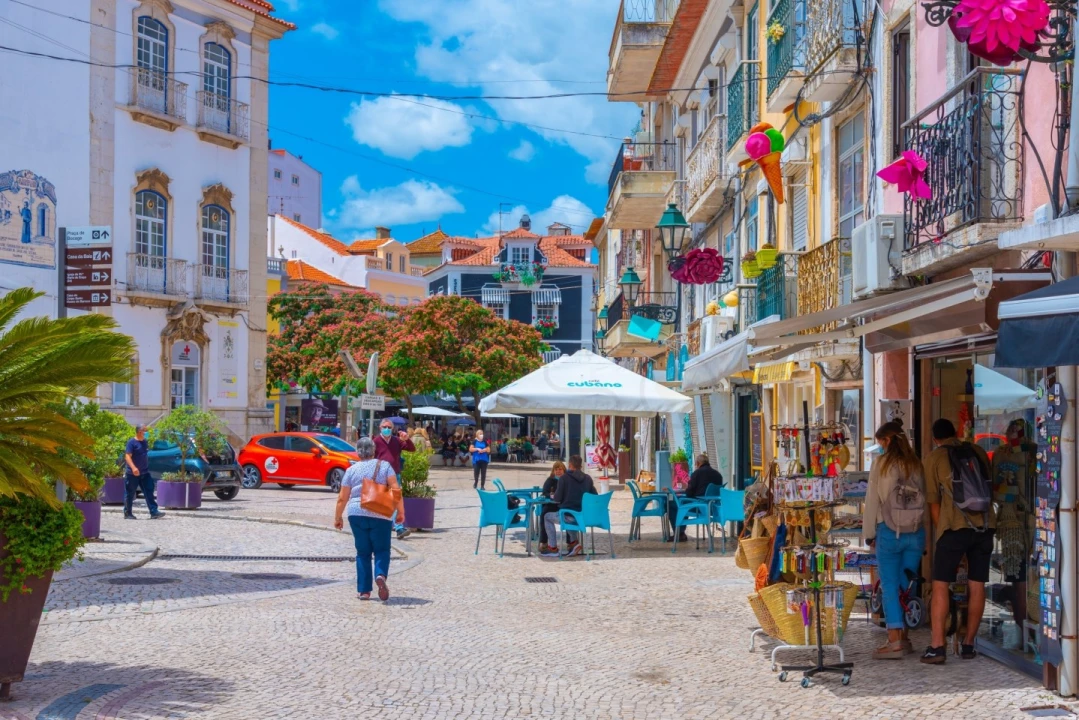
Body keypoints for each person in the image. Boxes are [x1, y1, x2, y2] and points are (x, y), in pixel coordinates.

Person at [922, 418, 995, 664]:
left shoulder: (935, 457)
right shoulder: (978, 451)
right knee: (977, 585)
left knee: (941, 585)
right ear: (955, 432)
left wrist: (943, 533)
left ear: (935, 439)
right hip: (984, 526)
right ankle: (969, 644)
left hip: (953, 528)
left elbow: (934, 502)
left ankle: (937, 646)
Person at [863, 421, 925, 659]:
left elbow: (872, 501)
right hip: (915, 532)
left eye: (880, 442)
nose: (880, 447)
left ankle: (894, 641)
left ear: (887, 441)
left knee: (889, 585)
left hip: (888, 530)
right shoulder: (916, 463)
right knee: (906, 583)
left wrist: (869, 533)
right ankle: (905, 638)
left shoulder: (881, 463)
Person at [335, 437, 405, 601]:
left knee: (362, 552)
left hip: (356, 513)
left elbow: (342, 498)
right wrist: (400, 512)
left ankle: (364, 591)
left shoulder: (351, 470)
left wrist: (338, 517)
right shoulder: (385, 466)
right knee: (382, 549)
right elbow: (396, 489)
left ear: (358, 452)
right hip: (380, 512)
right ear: (374, 451)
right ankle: (380, 575)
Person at [541, 455, 597, 558]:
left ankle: (553, 548)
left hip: (569, 516)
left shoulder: (564, 478)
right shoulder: (588, 479)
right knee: (571, 514)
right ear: (580, 465)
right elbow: (595, 496)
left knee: (547, 516)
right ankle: (574, 543)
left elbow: (557, 498)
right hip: (584, 517)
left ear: (570, 464)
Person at [372, 419, 415, 540]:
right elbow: (371, 458)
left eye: (389, 427)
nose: (387, 429)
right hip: (380, 475)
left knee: (395, 500)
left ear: (393, 429)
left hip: (395, 475)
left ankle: (399, 528)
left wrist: (407, 439)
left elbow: (411, 449)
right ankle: (381, 527)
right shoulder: (375, 441)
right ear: (380, 428)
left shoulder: (396, 440)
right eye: (384, 427)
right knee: (381, 502)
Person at [666, 453, 721, 542]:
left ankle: (679, 533)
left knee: (672, 504)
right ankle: (680, 533)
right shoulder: (718, 475)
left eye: (696, 464)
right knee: (683, 503)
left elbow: (689, 493)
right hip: (713, 508)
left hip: (699, 507)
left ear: (698, 463)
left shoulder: (697, 473)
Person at [123, 424, 165, 520]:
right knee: (130, 493)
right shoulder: (131, 442)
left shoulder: (145, 442)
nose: (146, 432)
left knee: (149, 491)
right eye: (145, 430)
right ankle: (128, 513)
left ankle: (154, 512)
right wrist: (134, 468)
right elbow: (127, 456)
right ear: (139, 431)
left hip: (144, 472)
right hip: (132, 473)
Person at [538, 461, 566, 553]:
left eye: (560, 469)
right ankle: (544, 541)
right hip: (551, 505)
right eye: (556, 469)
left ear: (564, 470)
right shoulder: (550, 480)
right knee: (543, 514)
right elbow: (544, 492)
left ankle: (571, 542)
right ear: (553, 471)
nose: (558, 471)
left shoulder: (567, 480)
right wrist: (550, 495)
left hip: (563, 505)